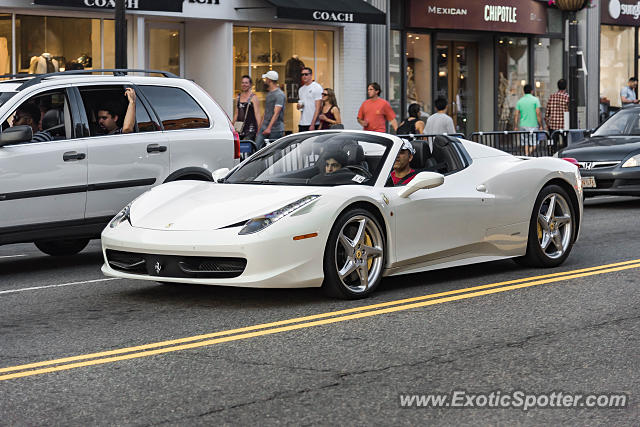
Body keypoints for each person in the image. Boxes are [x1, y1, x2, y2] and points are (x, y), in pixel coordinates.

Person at [256, 70, 286, 149]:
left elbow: (276, 113)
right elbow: (266, 111)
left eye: (266, 78)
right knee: (256, 147)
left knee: (275, 152)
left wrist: (269, 128)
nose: (264, 80)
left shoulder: (279, 94)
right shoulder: (269, 94)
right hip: (264, 127)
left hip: (276, 129)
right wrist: (260, 127)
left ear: (269, 80)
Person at [514, 84, 541, 155]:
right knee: (534, 143)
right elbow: (538, 113)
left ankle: (526, 155)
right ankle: (528, 154)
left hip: (523, 125)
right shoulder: (535, 100)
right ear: (532, 91)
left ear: (524, 91)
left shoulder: (520, 101)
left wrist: (516, 125)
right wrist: (540, 124)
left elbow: (516, 114)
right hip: (533, 124)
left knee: (525, 142)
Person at [233, 75, 261, 141]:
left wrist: (259, 129)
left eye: (246, 83)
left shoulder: (254, 97)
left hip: (250, 129)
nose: (244, 85)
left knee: (246, 147)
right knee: (238, 148)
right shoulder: (238, 97)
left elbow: (257, 114)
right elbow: (236, 114)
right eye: (242, 83)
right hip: (239, 128)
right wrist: (232, 126)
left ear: (250, 84)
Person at [297, 67, 323, 132]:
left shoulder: (317, 87)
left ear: (311, 75)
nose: (304, 76)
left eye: (306, 74)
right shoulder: (301, 89)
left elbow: (318, 107)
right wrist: (299, 106)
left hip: (313, 124)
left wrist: (313, 124)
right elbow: (302, 104)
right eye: (302, 75)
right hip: (302, 123)